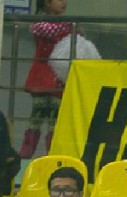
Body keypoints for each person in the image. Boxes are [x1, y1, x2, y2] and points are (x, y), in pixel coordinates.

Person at [22, 0, 74, 159]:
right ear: (47, 2)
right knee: (36, 116)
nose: (64, 2)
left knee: (55, 118)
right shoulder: (41, 24)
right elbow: (43, 30)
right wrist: (69, 29)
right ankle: (27, 149)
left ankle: (52, 150)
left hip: (57, 77)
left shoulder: (66, 24)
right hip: (42, 76)